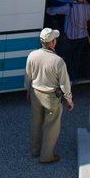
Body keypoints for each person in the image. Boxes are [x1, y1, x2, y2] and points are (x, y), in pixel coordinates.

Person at [25, 28, 73, 164]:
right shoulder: (58, 61)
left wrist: (28, 91)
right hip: (51, 97)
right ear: (52, 43)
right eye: (55, 39)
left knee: (36, 122)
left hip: (35, 94)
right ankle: (46, 156)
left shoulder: (32, 55)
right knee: (51, 126)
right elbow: (65, 84)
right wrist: (69, 100)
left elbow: (28, 76)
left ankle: (35, 150)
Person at [60, 0, 90, 82]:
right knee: (77, 57)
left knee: (68, 58)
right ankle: (75, 78)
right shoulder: (88, 6)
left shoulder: (69, 7)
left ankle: (68, 78)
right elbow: (89, 17)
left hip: (71, 37)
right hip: (83, 36)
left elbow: (54, 11)